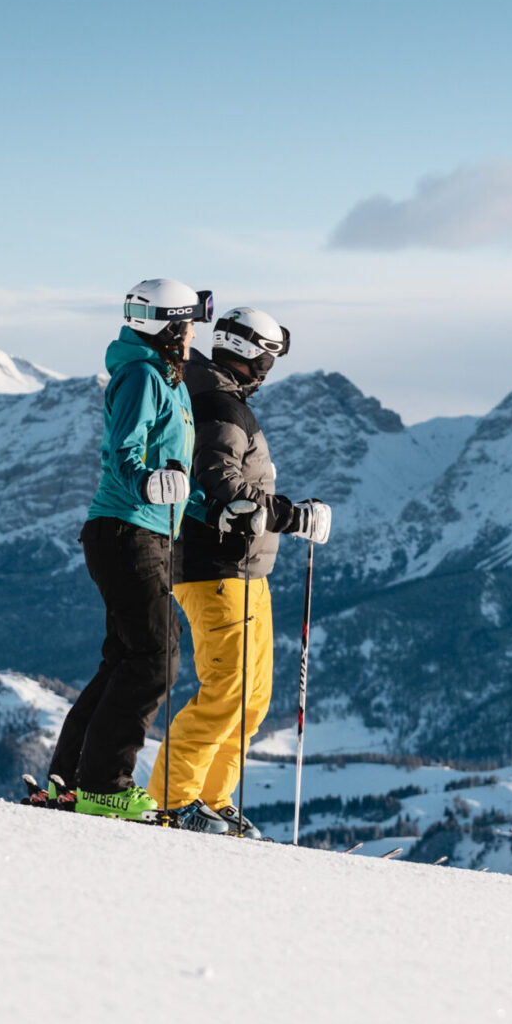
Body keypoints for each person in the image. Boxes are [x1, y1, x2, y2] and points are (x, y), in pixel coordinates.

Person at [148, 306, 331, 837]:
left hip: (245, 568)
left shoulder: (215, 395)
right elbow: (220, 481)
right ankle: (174, 800)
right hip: (215, 566)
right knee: (226, 690)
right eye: (269, 358)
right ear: (253, 356)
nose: (269, 371)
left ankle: (212, 798)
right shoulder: (217, 404)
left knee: (251, 698)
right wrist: (292, 516)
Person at [45, 278, 211, 820]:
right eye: (185, 325)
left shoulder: (170, 380)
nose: (190, 336)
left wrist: (214, 506)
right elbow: (125, 450)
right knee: (156, 657)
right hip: (126, 529)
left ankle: (67, 781)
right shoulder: (142, 376)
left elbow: (178, 472)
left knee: (126, 657)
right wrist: (145, 483)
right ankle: (106, 786)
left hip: (147, 531)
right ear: (166, 328)